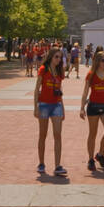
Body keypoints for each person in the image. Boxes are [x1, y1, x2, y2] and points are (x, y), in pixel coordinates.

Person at [34, 48, 68, 177]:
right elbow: (37, 89)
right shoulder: (44, 69)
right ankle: (41, 163)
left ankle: (57, 165)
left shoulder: (60, 71)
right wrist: (35, 107)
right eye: (56, 57)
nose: (58, 60)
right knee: (43, 134)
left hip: (57, 105)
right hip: (44, 105)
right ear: (51, 57)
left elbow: (60, 90)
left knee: (57, 135)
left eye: (60, 58)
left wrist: (63, 108)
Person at [80, 47, 104, 172]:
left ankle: (100, 154)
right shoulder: (91, 74)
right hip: (93, 106)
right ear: (98, 61)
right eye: (103, 60)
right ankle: (90, 159)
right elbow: (85, 92)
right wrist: (81, 108)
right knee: (92, 134)